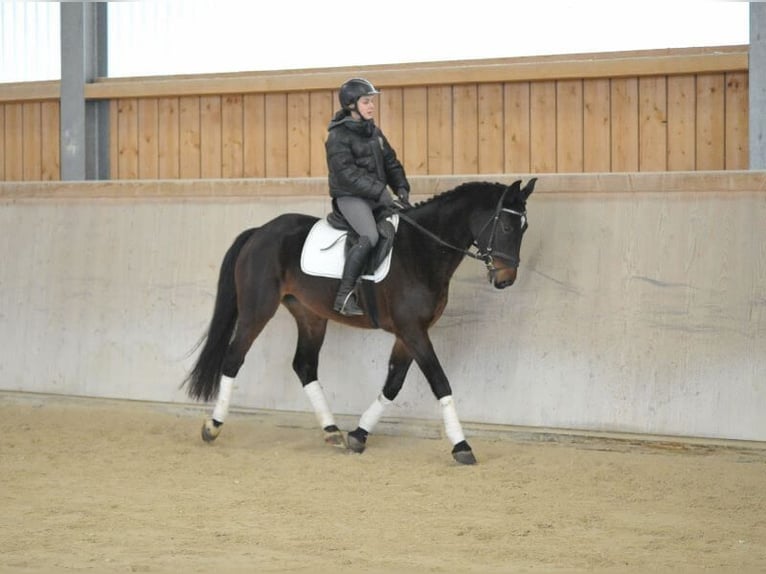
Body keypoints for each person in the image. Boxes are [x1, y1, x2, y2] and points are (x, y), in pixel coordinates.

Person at [326, 77, 411, 316]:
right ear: (351, 104)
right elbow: (347, 175)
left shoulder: (375, 131)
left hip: (375, 196)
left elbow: (391, 162)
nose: (371, 106)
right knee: (370, 236)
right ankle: (344, 295)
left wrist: (401, 186)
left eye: (371, 101)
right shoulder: (337, 137)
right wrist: (381, 192)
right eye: (366, 102)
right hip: (350, 197)